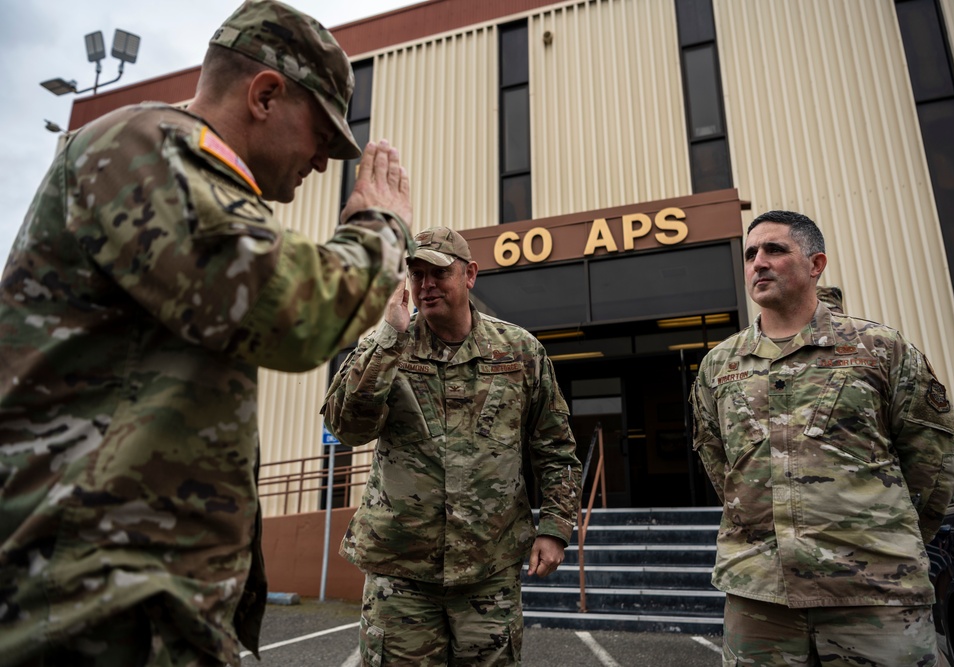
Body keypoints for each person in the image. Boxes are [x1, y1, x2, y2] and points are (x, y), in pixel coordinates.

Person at [0, 1, 413, 665]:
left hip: (140, 607)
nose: (321, 159)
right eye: (322, 134)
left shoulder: (193, 177)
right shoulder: (146, 147)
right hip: (92, 612)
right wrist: (382, 227)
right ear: (266, 93)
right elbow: (296, 312)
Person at [689, 210, 954, 666]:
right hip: (760, 597)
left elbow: (933, 461)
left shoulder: (880, 348)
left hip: (873, 591)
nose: (759, 261)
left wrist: (880, 535)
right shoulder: (719, 366)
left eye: (775, 249)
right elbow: (723, 468)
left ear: (816, 265)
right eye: (751, 253)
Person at [323, 227, 582, 666]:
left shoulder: (520, 352)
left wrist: (556, 528)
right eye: (416, 273)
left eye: (438, 273)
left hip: (488, 569)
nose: (426, 285)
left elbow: (555, 447)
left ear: (470, 275)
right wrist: (388, 337)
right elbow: (346, 427)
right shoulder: (385, 347)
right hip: (401, 573)